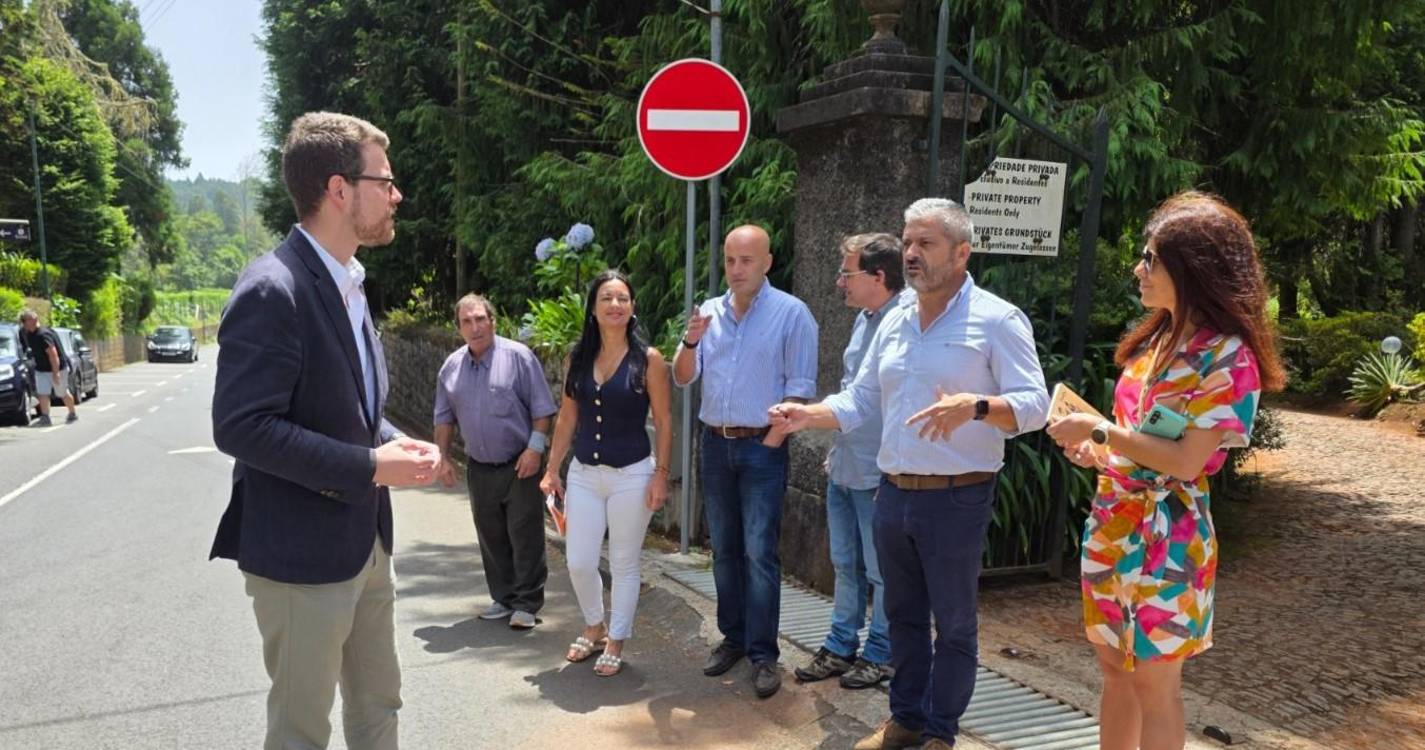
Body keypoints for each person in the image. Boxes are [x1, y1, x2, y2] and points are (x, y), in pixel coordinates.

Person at [769, 198, 1049, 750]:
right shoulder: (894, 317)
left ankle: (941, 734)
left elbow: (1036, 406)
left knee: (955, 624)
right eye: (908, 241)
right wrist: (809, 415)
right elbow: (861, 399)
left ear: (962, 252)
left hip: (957, 497)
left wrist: (976, 405)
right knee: (901, 617)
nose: (912, 254)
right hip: (891, 493)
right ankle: (906, 721)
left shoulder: (997, 318)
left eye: (926, 243)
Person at [210, 111, 441, 750]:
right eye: (385, 182)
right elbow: (242, 427)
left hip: (365, 543)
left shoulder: (350, 283)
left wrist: (390, 438)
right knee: (300, 733)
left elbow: (355, 411)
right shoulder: (272, 288)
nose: (396, 196)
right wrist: (372, 467)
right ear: (339, 189)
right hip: (300, 557)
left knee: (378, 709)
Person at [1047, 192, 1284, 750]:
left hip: (1170, 538)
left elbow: (1183, 461)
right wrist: (1098, 452)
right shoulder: (1155, 341)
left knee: (1155, 682)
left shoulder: (1228, 356)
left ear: (1193, 268)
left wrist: (1101, 433)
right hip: (1113, 523)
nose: (1139, 268)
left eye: (1150, 258)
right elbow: (1140, 442)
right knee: (1113, 669)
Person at [673, 224, 818, 699]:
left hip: (761, 445)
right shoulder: (709, 313)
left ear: (768, 263)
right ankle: (732, 638)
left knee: (759, 553)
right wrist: (691, 342)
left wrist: (772, 442)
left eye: (746, 261)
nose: (736, 269)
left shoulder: (792, 314)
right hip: (714, 443)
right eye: (730, 260)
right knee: (724, 550)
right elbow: (681, 377)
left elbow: (799, 388)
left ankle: (763, 654)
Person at [539, 270, 673, 676]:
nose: (615, 305)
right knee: (579, 561)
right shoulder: (577, 357)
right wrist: (552, 469)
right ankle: (594, 625)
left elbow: (665, 422)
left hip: (632, 473)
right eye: (606, 299)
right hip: (583, 472)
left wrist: (661, 475)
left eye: (623, 299)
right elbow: (567, 418)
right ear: (593, 309)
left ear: (632, 308)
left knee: (624, 562)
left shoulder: (648, 360)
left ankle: (616, 638)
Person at [793, 233, 904, 690]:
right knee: (843, 562)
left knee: (881, 570)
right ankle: (841, 645)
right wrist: (834, 452)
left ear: (879, 276)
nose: (840, 282)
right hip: (847, 462)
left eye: (847, 273)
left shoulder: (904, 322)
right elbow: (851, 389)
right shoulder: (866, 319)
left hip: (879, 470)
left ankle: (881, 653)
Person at [434, 294, 557, 630]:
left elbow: (543, 409)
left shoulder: (519, 357)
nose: (475, 327)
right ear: (458, 327)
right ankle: (503, 598)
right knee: (490, 534)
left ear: (492, 320)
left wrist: (534, 450)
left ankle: (527, 603)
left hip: (520, 464)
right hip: (478, 466)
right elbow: (444, 417)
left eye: (480, 319)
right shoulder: (451, 367)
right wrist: (442, 456)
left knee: (524, 533)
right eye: (467, 322)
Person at [18, 309, 77, 425]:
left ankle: (72, 413)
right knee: (43, 393)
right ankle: (45, 417)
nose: (23, 323)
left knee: (62, 393)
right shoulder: (29, 334)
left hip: (57, 368)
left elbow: (53, 354)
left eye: (24, 321)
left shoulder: (43, 334)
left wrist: (56, 373)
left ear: (33, 320)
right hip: (41, 369)